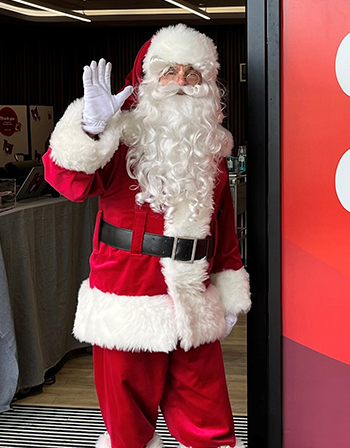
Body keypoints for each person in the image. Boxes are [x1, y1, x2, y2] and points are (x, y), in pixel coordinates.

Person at [43, 24, 250, 448]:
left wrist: (229, 291)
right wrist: (90, 128)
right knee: (128, 427)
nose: (180, 83)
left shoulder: (211, 149)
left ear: (208, 84)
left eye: (193, 74)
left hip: (194, 296)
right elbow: (65, 179)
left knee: (209, 421)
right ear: (148, 80)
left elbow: (224, 230)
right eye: (169, 71)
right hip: (126, 297)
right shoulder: (118, 140)